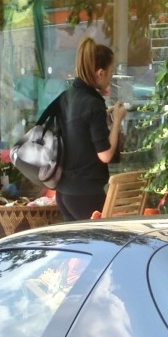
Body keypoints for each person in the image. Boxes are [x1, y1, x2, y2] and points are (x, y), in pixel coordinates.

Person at [51, 37, 126, 220]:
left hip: (64, 192)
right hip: (86, 193)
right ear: (100, 73)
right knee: (104, 245)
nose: (110, 77)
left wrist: (103, 118)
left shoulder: (66, 97)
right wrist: (116, 121)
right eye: (111, 72)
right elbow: (105, 154)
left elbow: (78, 131)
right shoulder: (92, 104)